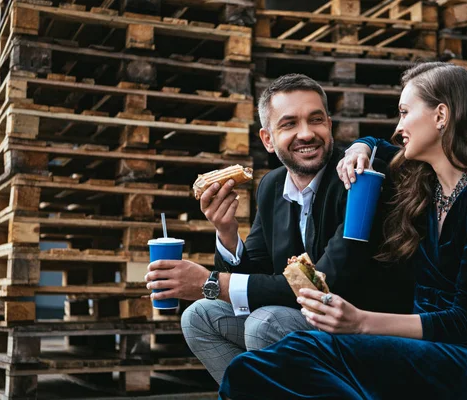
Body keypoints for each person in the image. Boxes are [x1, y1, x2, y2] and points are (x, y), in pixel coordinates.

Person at [217, 62, 467, 399]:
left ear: (441, 116)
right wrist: (360, 147)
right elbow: (374, 142)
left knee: (281, 362)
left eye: (405, 113)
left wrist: (361, 322)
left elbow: (466, 321)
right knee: (282, 359)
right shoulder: (426, 181)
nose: (399, 126)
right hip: (425, 346)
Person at [145, 73, 413, 385]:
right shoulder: (271, 186)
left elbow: (326, 284)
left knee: (265, 322)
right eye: (289, 124)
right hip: (308, 317)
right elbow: (257, 271)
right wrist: (227, 233)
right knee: (199, 316)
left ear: (330, 124)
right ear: (268, 139)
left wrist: (211, 282)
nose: (306, 133)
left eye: (316, 120)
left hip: (361, 326)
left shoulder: (358, 177)